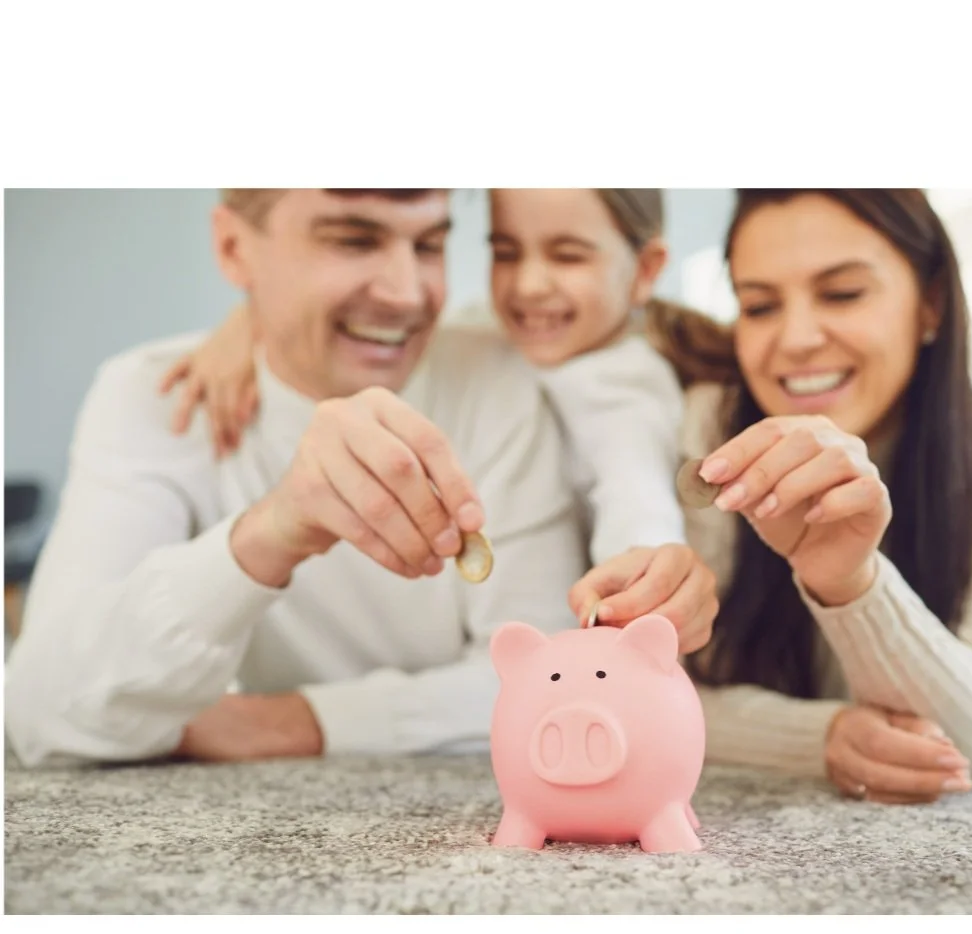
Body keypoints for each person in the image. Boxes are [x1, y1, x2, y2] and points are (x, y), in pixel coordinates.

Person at [4, 189, 715, 768]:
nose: (407, 294)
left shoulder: (502, 375)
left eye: (431, 242)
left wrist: (285, 721)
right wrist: (270, 531)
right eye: (352, 238)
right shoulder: (158, 395)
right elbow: (38, 712)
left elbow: (550, 675)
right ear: (231, 248)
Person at [576, 189, 972, 805]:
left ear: (932, 303)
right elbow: (620, 683)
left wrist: (850, 580)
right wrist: (822, 737)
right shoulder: (703, 439)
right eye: (759, 306)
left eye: (842, 294)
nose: (798, 339)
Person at [159, 188, 717, 637]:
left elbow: (634, 494)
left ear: (646, 271)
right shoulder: (496, 335)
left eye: (567, 255)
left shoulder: (625, 384)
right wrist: (244, 328)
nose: (528, 285)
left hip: (598, 628)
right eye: (505, 252)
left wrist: (641, 573)